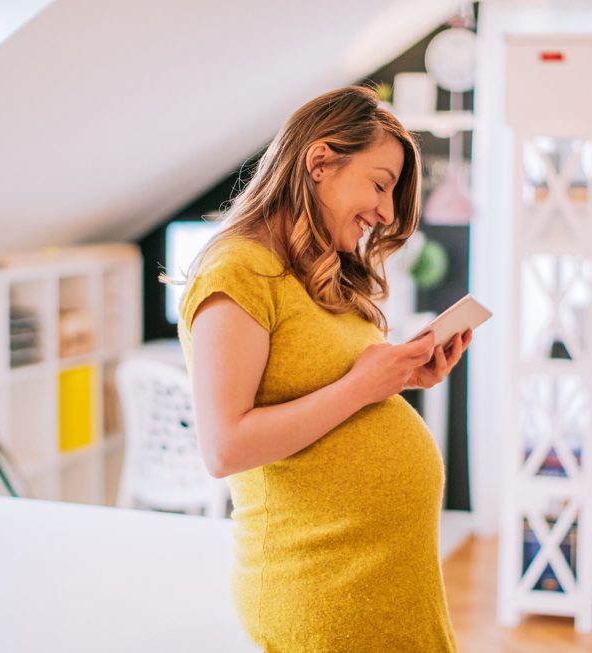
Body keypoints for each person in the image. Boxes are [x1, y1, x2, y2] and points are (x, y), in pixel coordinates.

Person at [172, 85, 472, 652]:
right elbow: (224, 448)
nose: (385, 212)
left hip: (378, 585)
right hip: (323, 596)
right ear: (319, 161)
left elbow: (324, 392)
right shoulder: (236, 273)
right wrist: (362, 388)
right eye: (380, 184)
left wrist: (399, 377)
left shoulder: (313, 271)